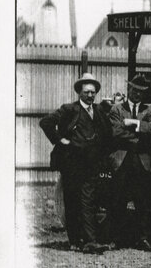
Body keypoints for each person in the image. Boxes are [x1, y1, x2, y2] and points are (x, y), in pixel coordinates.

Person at [39, 72, 113, 253]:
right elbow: (45, 122)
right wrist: (59, 140)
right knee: (72, 202)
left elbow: (108, 134)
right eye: (87, 92)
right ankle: (74, 241)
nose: (90, 95)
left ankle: (90, 241)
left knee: (87, 201)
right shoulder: (69, 109)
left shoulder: (99, 111)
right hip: (72, 164)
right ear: (79, 92)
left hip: (91, 165)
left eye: (93, 92)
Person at [107, 74, 151, 251]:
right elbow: (115, 132)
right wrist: (139, 138)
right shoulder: (116, 109)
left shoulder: (150, 110)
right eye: (134, 90)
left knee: (143, 201)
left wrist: (135, 124)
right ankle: (117, 238)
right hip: (122, 160)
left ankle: (143, 238)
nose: (137, 94)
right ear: (128, 89)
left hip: (142, 162)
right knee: (118, 200)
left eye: (141, 92)